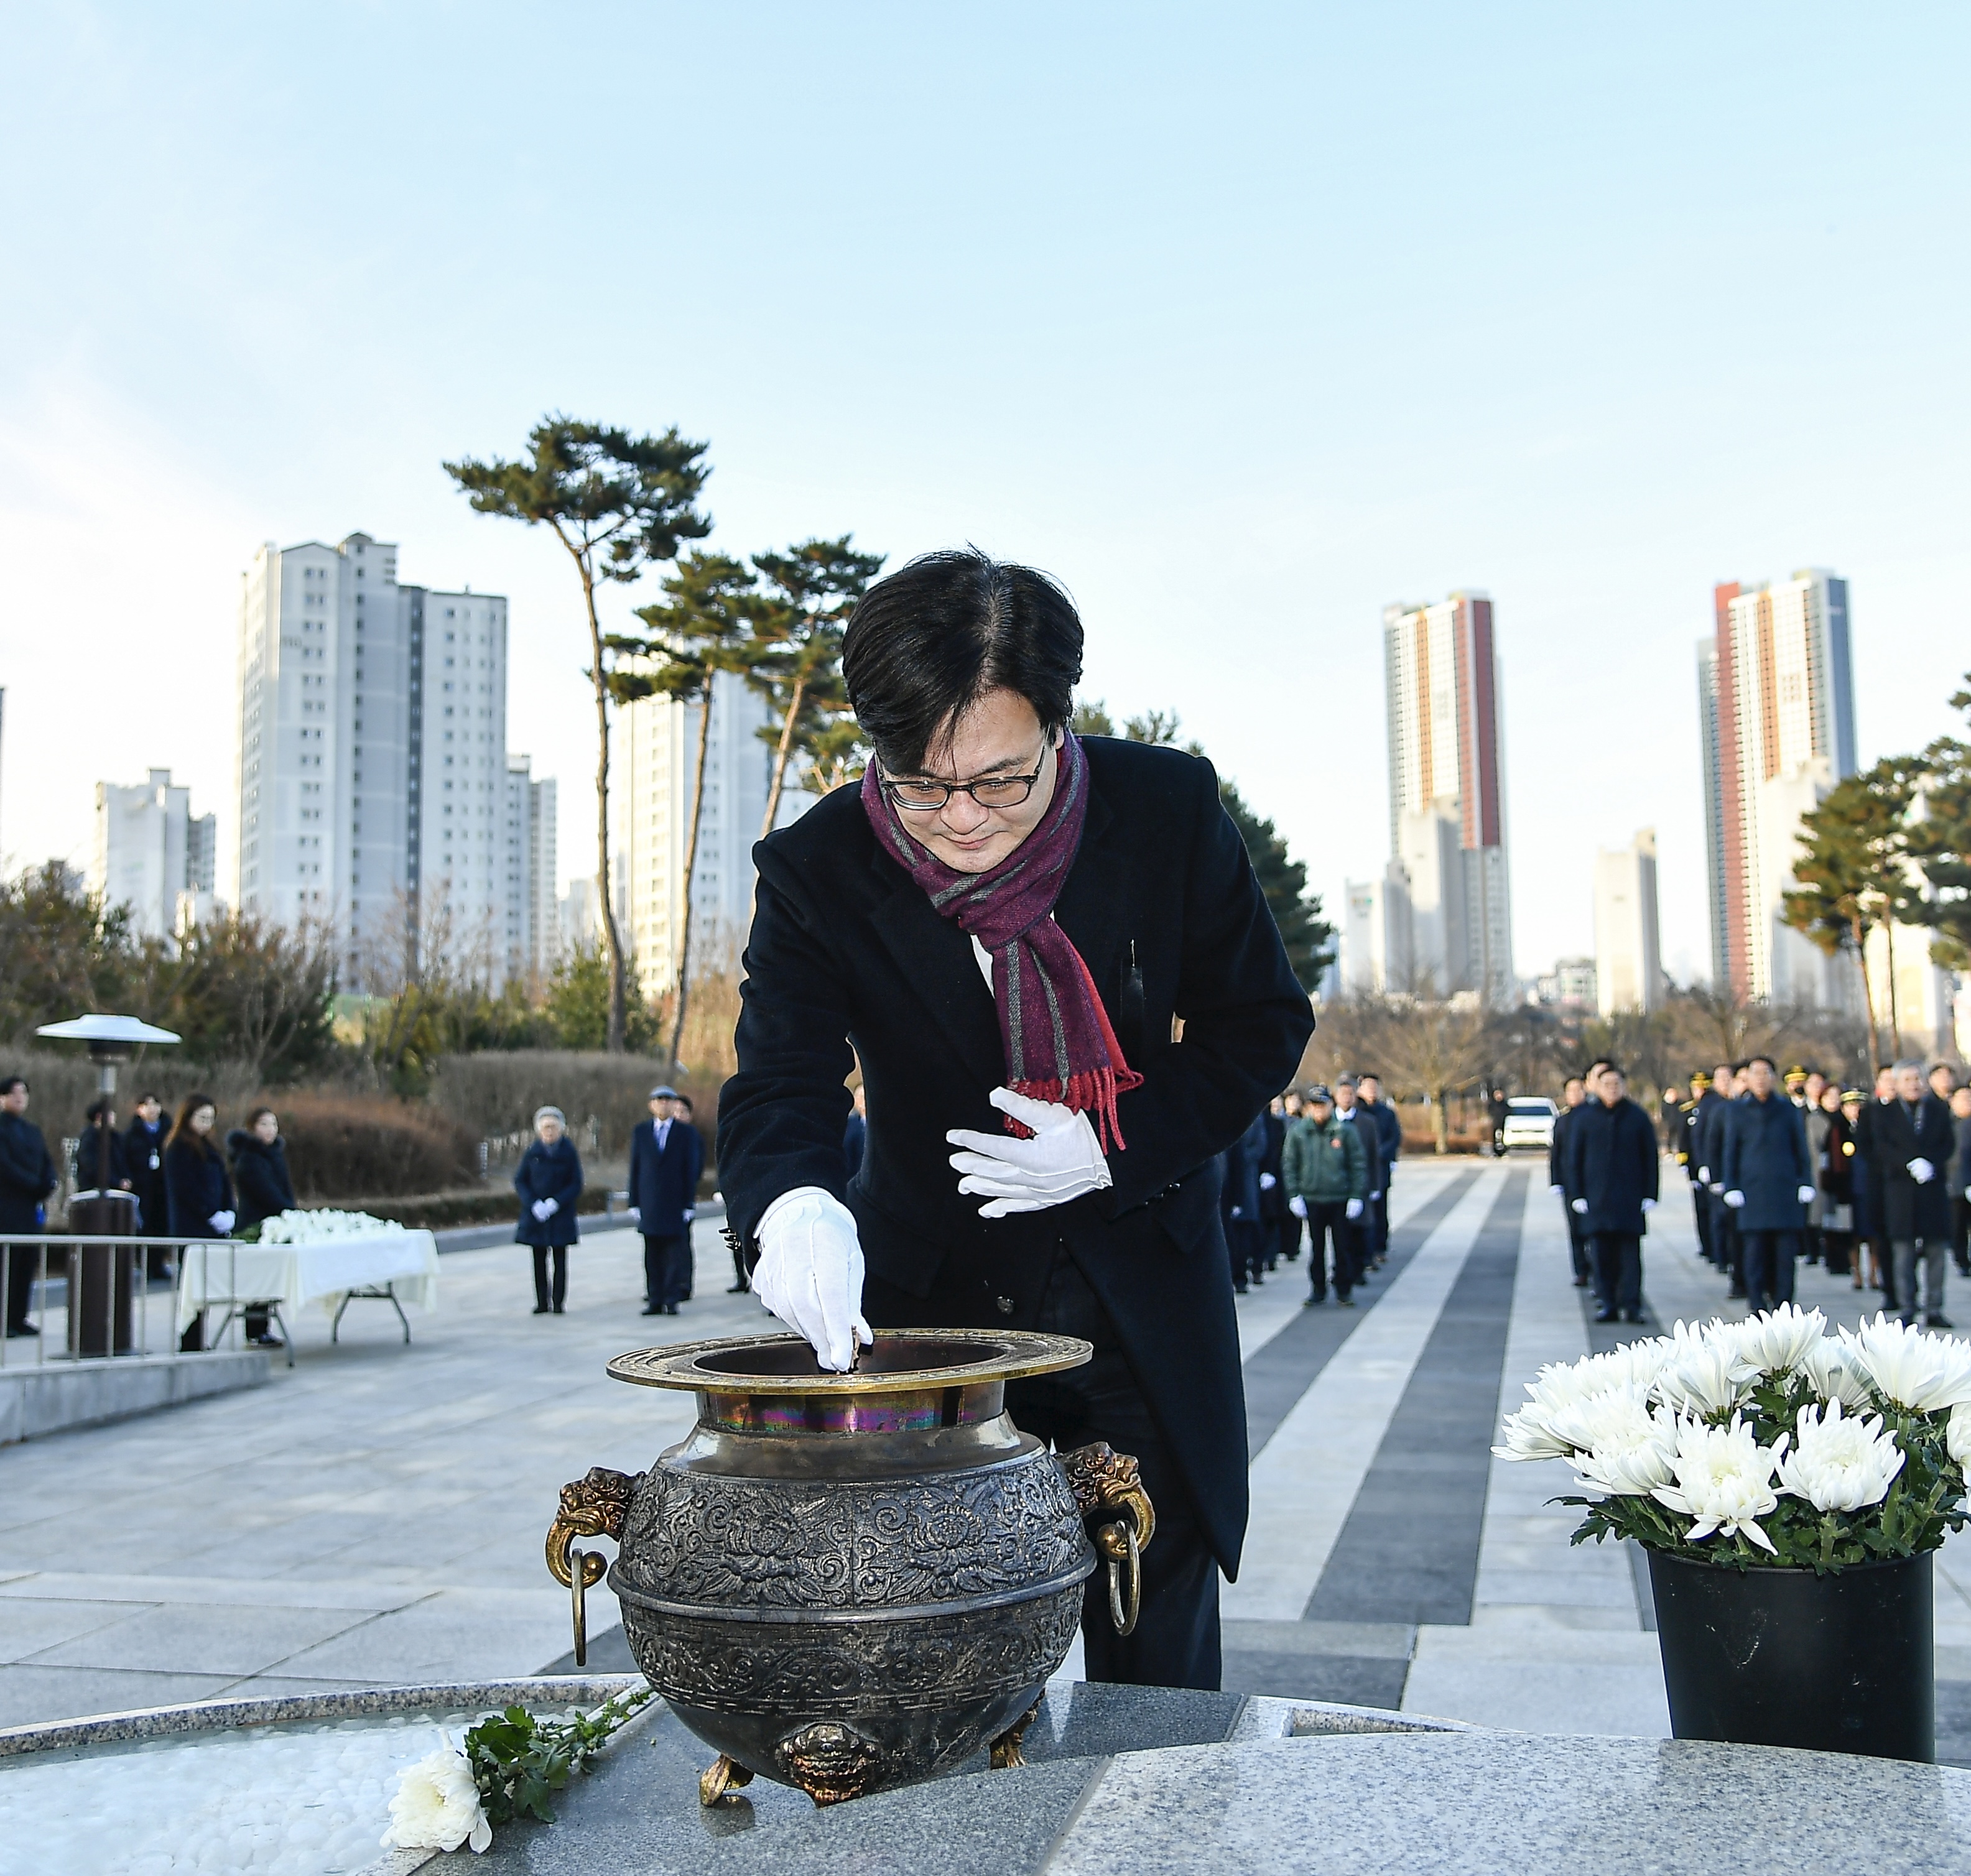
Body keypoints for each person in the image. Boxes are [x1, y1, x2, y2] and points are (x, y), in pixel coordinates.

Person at [715, 547, 1312, 1693]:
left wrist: (1110, 1143)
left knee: (1155, 1632)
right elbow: (779, 1078)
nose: (959, 819)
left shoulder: (1163, 810)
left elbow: (1257, 1025)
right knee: (936, 1653)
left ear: (1056, 725)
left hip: (1136, 1299)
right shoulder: (820, 866)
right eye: (918, 783)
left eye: (997, 779)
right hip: (933, 1320)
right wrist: (791, 1208)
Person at [1564, 1063, 1658, 1324]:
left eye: (1617, 1084)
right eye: (1607, 1084)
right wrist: (1577, 1194)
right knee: (1601, 1257)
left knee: (1630, 1258)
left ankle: (1632, 1305)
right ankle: (1608, 1304)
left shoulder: (1637, 1117)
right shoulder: (1586, 1118)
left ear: (1624, 1087)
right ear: (1597, 1087)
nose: (1612, 1089)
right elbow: (1575, 1159)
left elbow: (1650, 1157)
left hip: (1629, 1199)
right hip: (1597, 1199)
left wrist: (1650, 1193)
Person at [1720, 1056, 1815, 1314]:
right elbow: (1731, 1150)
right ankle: (1757, 1303)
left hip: (1784, 1191)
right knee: (1754, 1254)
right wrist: (1731, 1185)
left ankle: (1784, 1303)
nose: (1761, 1078)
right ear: (1747, 1079)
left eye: (1766, 1073)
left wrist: (1805, 1181)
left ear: (1774, 1078)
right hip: (1752, 1191)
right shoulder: (1737, 1111)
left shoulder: (1787, 1110)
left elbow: (1801, 1149)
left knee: (1785, 1255)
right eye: (1756, 1073)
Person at [1873, 1059, 1954, 1329]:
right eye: (1907, 1080)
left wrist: (1931, 1162)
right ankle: (1907, 1306)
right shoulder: (1885, 1113)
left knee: (1936, 1253)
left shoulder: (1938, 1109)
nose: (1914, 1085)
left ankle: (1934, 1308)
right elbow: (1881, 1147)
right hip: (1900, 1190)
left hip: (1932, 1189)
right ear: (1896, 1083)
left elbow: (1948, 1143)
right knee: (1903, 1254)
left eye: (1917, 1079)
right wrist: (1908, 1162)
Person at [1282, 1084, 1367, 1306]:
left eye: (1324, 1105)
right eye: (1315, 1106)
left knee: (1342, 1247)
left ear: (1331, 1105)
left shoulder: (1344, 1130)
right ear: (1310, 1107)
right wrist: (1294, 1194)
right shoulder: (1299, 1132)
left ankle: (1343, 1289)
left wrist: (1357, 1195)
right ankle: (1318, 1289)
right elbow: (1290, 1164)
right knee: (1316, 1248)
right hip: (1312, 1198)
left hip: (1339, 1197)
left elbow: (1357, 1164)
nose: (1320, 1111)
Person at [165, 1094, 236, 1351]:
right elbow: (186, 1188)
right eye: (201, 1118)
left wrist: (229, 1210)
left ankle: (198, 1338)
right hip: (191, 1227)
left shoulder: (209, 1147)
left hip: (211, 1226)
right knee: (192, 1288)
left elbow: (224, 1182)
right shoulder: (178, 1148)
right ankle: (189, 1340)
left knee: (205, 1287)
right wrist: (209, 1212)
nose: (206, 1124)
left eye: (210, 1119)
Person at [630, 1084, 703, 1316]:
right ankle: (655, 1298)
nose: (663, 1104)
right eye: (659, 1100)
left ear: (674, 1105)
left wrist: (688, 1204)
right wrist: (634, 1202)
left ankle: (671, 1299)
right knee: (652, 1254)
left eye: (668, 1100)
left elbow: (690, 1170)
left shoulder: (685, 1134)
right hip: (650, 1202)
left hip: (674, 1202)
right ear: (651, 1105)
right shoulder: (642, 1132)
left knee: (673, 1253)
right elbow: (636, 1168)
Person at [226, 1106, 295, 1347]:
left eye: (274, 1125)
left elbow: (284, 1190)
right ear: (253, 1128)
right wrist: (286, 1210)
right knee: (258, 1280)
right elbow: (266, 1193)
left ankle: (263, 1328)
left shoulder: (275, 1155)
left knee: (268, 1279)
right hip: (254, 1225)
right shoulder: (249, 1159)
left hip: (275, 1224)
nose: (270, 1130)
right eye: (264, 1125)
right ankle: (255, 1330)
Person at [0, 1076, 57, 1339]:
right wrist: (32, 1184)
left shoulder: (32, 1130)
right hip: (7, 1206)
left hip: (30, 1208)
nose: (20, 1098)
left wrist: (47, 1183)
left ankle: (18, 1316)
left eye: (24, 1093)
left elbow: (46, 1162)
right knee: (7, 1265)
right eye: (14, 1093)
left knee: (25, 1264)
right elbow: (6, 1166)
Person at [514, 1106, 583, 1315]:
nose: (549, 1131)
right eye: (545, 1127)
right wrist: (533, 1203)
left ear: (561, 1129)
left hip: (560, 1214)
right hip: (537, 1216)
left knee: (560, 1261)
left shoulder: (568, 1152)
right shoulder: (533, 1152)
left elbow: (576, 1184)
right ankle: (542, 1302)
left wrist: (557, 1202)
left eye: (553, 1127)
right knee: (538, 1260)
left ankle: (559, 1301)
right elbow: (520, 1180)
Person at [1330, 1074, 1382, 1288]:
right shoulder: (1330, 1122)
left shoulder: (1367, 1122)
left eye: (1351, 1093)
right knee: (1340, 1234)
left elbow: (1373, 1155)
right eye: (1343, 1093)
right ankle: (1342, 1271)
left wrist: (1375, 1185)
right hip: (1335, 1186)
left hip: (1360, 1183)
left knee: (1361, 1229)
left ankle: (1359, 1268)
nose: (1347, 1097)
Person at [1854, 1063, 1898, 1308]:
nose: (1891, 1084)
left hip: (1904, 1187)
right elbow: (1864, 1146)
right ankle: (1889, 1290)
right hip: (1879, 1184)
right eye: (1887, 1079)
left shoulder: (1909, 1112)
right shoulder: (1870, 1112)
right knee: (1882, 1240)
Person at [1219, 1107, 1271, 1293]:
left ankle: (1241, 1275)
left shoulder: (1249, 1118)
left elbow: (1246, 1156)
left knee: (1239, 1234)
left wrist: (1238, 1197)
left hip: (1234, 1186)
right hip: (1216, 1188)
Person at [1550, 1076, 1591, 1286]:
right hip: (1570, 1182)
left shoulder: (1592, 1116)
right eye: (1570, 1091)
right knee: (1574, 1229)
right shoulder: (1563, 1120)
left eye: (1578, 1090)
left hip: (1592, 1182)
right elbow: (1556, 1153)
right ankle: (1581, 1270)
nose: (1574, 1095)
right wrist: (1555, 1180)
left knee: (1592, 1229)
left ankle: (1596, 1268)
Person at [1357, 1073, 1401, 1267]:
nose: (1372, 1091)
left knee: (1380, 1209)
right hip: (1360, 1168)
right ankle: (1364, 1251)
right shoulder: (1357, 1112)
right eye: (1368, 1087)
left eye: (1375, 1087)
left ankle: (1379, 1248)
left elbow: (1395, 1137)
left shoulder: (1387, 1113)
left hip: (1380, 1167)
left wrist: (1383, 1155)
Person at [1816, 1084, 1856, 1278]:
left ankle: (1846, 1262)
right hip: (1832, 1179)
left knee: (1846, 1224)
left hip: (1848, 1180)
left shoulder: (1845, 1125)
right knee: (1833, 1223)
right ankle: (1834, 1261)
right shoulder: (1830, 1124)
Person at [124, 1091, 169, 1246]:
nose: (152, 1109)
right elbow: (126, 1159)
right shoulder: (132, 1134)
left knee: (162, 1225)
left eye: (155, 1104)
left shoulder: (169, 1131)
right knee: (144, 1225)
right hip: (142, 1186)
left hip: (164, 1186)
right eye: (147, 1105)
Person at [75, 1097, 132, 1194]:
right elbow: (92, 1167)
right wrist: (115, 1182)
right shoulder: (89, 1139)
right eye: (110, 1113)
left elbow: (123, 1161)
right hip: (93, 1192)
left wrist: (127, 1179)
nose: (114, 1116)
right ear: (100, 1116)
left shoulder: (116, 1137)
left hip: (117, 1192)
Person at [1258, 1096, 1288, 1273]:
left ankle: (1270, 1255)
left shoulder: (1276, 1124)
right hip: (1254, 1174)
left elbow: (1278, 1149)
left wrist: (1270, 1171)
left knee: (1271, 1217)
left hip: (1273, 1175)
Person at [1948, 1084, 1971, 1280]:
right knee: (1958, 1225)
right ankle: (1962, 1260)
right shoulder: (1947, 1124)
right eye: (1963, 1098)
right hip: (1955, 1182)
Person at [843, 1084, 868, 1184]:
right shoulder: (848, 1124)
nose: (864, 1101)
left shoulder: (880, 1125)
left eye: (866, 1096)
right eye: (861, 1097)